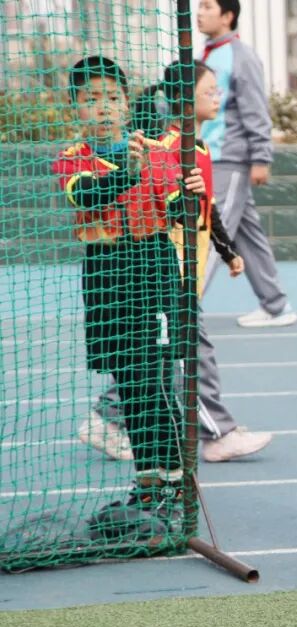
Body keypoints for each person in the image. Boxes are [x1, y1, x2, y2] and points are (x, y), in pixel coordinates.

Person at [84, 60, 274, 465]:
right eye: (209, 92)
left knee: (164, 356)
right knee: (186, 353)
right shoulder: (166, 148)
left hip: (190, 268)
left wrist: (227, 251)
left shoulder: (200, 148)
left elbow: (206, 206)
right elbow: (164, 206)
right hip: (168, 271)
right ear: (184, 100)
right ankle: (216, 432)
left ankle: (109, 415)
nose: (218, 98)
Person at [53, 56, 206, 534]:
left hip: (152, 266)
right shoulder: (72, 158)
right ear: (75, 107)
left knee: (157, 379)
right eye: (91, 99)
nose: (103, 108)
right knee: (130, 382)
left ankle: (175, 484)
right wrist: (129, 172)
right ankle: (148, 482)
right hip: (105, 272)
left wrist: (192, 192)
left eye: (113, 98)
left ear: (126, 104)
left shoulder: (158, 152)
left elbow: (180, 211)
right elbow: (86, 196)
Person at [197, 0, 297, 328]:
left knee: (210, 231)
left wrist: (260, 158)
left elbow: (256, 110)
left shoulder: (241, 56)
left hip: (229, 160)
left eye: (207, 6)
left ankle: (183, 308)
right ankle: (276, 305)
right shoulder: (207, 54)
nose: (199, 12)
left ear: (227, 16)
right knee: (247, 234)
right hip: (211, 157)